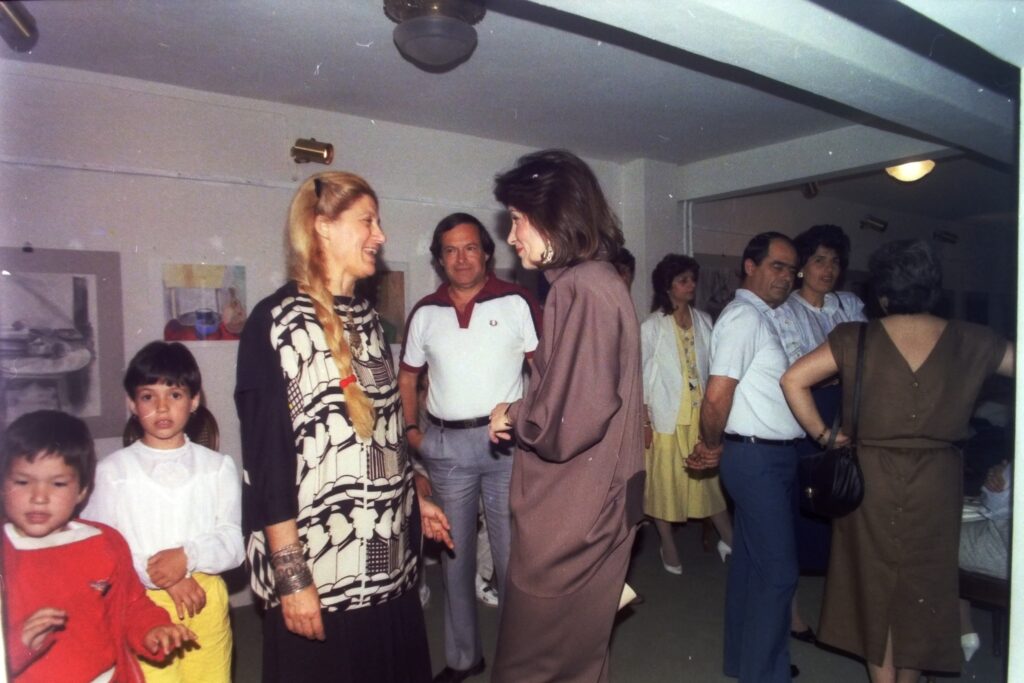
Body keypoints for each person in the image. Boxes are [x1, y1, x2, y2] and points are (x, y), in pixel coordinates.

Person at [234, 172, 451, 683]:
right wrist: (292, 580)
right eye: (367, 221)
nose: (380, 235)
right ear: (323, 226)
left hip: (388, 562)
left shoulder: (370, 321)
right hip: (322, 574)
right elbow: (267, 468)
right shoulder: (275, 324)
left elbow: (382, 437)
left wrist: (414, 497)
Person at [781, 239, 1014, 683]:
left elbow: (793, 379)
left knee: (874, 587)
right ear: (934, 288)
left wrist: (826, 436)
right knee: (923, 587)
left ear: (882, 294)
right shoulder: (973, 338)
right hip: (937, 480)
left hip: (870, 479)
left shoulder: (855, 337)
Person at [488, 149, 645, 682]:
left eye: (517, 219)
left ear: (553, 214)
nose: (512, 237)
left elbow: (569, 422)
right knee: (575, 661)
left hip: (574, 514)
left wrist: (513, 412)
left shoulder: (582, 288)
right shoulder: (595, 283)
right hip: (592, 503)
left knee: (531, 665)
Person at [399, 212, 541, 683]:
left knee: (511, 557)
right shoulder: (425, 312)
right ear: (440, 259)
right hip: (447, 447)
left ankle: (520, 662)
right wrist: (412, 431)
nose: (461, 259)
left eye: (470, 248)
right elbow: (408, 377)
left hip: (506, 446)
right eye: (450, 250)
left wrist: (529, 421)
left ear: (487, 253)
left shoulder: (517, 301)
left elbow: (546, 372)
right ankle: (464, 657)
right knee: (454, 556)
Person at [84, 341, 244, 682]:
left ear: (194, 400)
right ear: (132, 403)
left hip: (205, 599)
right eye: (148, 396)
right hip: (143, 604)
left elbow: (233, 543)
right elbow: (104, 551)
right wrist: (166, 577)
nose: (161, 407)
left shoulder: (217, 467)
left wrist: (187, 557)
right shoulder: (113, 472)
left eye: (174, 394)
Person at [2, 410, 195, 683]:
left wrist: (153, 630)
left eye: (58, 484)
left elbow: (132, 605)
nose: (39, 497)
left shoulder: (104, 542)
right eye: (22, 482)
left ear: (82, 490)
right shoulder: (6, 554)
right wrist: (17, 644)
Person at [691, 232, 803, 682]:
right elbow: (716, 396)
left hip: (764, 457)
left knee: (750, 566)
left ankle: (743, 663)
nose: (786, 277)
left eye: (791, 269)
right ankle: (765, 675)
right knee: (779, 573)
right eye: (777, 266)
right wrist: (711, 444)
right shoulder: (744, 318)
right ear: (750, 267)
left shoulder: (763, 317)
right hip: (757, 460)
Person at [771, 224, 867, 641]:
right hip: (809, 417)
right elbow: (798, 370)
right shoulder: (785, 312)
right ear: (802, 266)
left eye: (835, 261)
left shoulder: (850, 304)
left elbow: (870, 359)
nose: (828, 269)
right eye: (818, 260)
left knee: (851, 515)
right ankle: (793, 615)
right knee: (801, 518)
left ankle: (845, 613)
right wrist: (839, 373)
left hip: (854, 414)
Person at [641, 254, 731, 574]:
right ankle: (667, 543)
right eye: (683, 280)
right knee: (665, 484)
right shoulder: (652, 326)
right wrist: (645, 421)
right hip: (666, 419)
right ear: (667, 286)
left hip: (700, 417)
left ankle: (728, 537)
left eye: (693, 279)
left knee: (709, 482)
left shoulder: (704, 320)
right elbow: (640, 375)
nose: (691, 285)